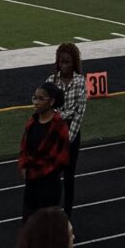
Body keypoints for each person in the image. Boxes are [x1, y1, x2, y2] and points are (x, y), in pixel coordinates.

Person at [18, 82, 70, 221]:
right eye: (34, 98)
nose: (36, 102)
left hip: (49, 185)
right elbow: (23, 147)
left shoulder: (59, 125)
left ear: (52, 101)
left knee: (45, 228)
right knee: (28, 224)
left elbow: (63, 158)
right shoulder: (32, 121)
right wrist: (23, 165)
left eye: (41, 99)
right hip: (31, 182)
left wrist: (40, 170)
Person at [46, 44, 86, 218]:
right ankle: (51, 213)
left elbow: (80, 112)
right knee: (52, 175)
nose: (64, 66)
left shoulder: (80, 81)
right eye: (61, 62)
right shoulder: (50, 81)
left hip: (71, 133)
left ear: (74, 63)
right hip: (54, 132)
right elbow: (46, 108)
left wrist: (68, 138)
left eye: (67, 62)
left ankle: (67, 217)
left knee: (69, 177)